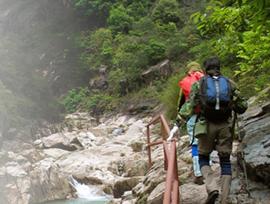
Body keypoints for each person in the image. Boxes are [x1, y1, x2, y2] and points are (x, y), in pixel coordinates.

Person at [179, 56, 247, 204]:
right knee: (225, 161)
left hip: (206, 126)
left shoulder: (199, 84)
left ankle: (212, 187)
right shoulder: (229, 83)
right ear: (219, 68)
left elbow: (188, 107)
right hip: (225, 126)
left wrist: (177, 124)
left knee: (203, 157)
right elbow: (243, 107)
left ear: (205, 69)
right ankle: (224, 199)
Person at [176, 61, 204, 185]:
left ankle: (198, 173)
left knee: (195, 144)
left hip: (193, 117)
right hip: (208, 116)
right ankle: (208, 168)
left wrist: (179, 117)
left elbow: (180, 103)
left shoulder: (186, 82)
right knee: (208, 142)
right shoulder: (206, 79)